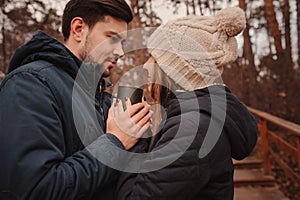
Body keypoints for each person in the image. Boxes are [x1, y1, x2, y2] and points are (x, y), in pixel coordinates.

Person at [0, 0, 152, 199]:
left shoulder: (100, 97)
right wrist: (115, 143)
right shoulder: (30, 85)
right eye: (112, 38)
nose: (120, 52)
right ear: (78, 29)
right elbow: (35, 190)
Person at [117, 7, 258, 200]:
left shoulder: (191, 131)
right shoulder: (194, 119)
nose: (146, 65)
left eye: (154, 57)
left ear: (174, 69)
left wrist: (132, 138)